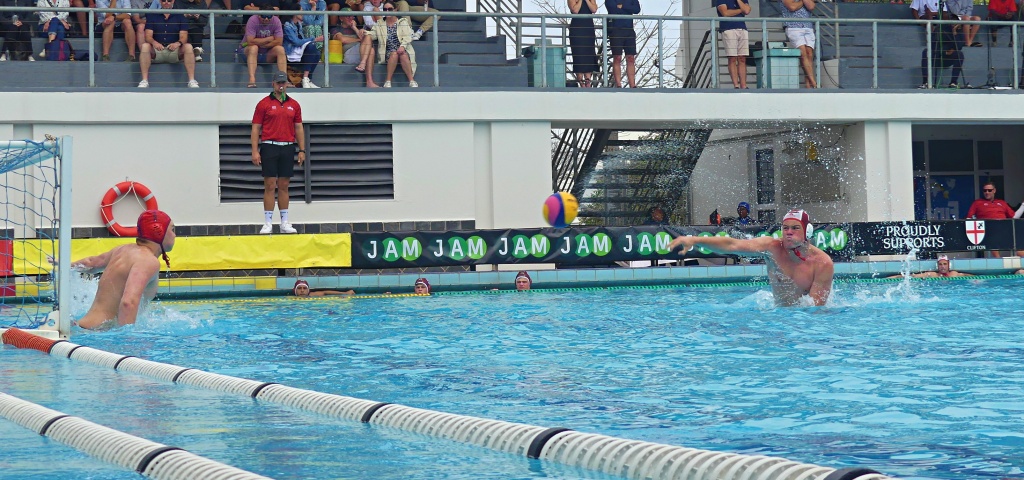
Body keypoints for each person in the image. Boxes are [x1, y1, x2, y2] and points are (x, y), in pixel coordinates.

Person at [669, 209, 834, 306]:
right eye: (785, 228)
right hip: (777, 314)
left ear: (808, 231)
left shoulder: (822, 263)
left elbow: (815, 310)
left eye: (795, 228)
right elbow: (732, 245)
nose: (789, 232)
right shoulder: (772, 247)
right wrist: (695, 240)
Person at [73, 210, 176, 329]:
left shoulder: (122, 249)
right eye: (172, 230)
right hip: (99, 332)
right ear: (159, 231)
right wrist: (127, 340)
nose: (174, 235)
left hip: (82, 326)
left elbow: (91, 263)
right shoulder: (148, 261)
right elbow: (128, 302)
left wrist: (65, 266)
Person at [251, 70, 305, 235]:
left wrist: (302, 149)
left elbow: (298, 127)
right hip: (269, 145)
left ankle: (284, 222)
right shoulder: (264, 103)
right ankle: (268, 222)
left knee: (284, 185)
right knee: (269, 185)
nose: (281, 86)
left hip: (288, 146)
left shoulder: (294, 105)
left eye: (284, 83)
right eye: (278, 83)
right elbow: (256, 128)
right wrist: (255, 150)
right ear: (273, 84)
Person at [139, 2, 200, 88]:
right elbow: (148, 36)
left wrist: (177, 43)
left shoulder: (180, 16)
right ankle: (144, 80)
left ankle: (192, 80)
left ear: (173, 1)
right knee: (145, 46)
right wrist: (154, 43)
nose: (166, 2)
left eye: (169, 0)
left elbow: (184, 37)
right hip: (157, 51)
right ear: (160, 1)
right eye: (164, 0)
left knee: (188, 47)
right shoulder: (152, 16)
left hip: (174, 51)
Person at [361, 1, 417, 88]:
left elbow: (407, 36)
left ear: (395, 10)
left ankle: (411, 81)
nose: (387, 11)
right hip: (389, 52)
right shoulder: (380, 23)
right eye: (385, 9)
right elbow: (373, 34)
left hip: (403, 49)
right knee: (394, 54)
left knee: (403, 54)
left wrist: (402, 46)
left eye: (390, 9)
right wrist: (364, 32)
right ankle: (388, 81)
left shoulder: (403, 22)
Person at [966, 181, 1016, 257]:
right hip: (988, 231)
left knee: (1018, 246)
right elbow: (969, 218)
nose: (987, 192)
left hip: (1004, 230)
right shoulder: (977, 203)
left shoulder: (1002, 203)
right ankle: (998, 262)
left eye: (989, 190)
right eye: (984, 190)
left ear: (994, 191)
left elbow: (1014, 217)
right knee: (993, 240)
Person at [242, 6, 288, 88]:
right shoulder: (253, 20)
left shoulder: (276, 21)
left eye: (269, 16)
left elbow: (279, 41)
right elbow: (250, 41)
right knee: (254, 47)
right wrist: (268, 39)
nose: (266, 19)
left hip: (266, 54)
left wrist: (261, 43)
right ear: (259, 15)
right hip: (249, 53)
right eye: (263, 16)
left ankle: (283, 80)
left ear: (273, 16)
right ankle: (252, 80)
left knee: (280, 49)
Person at [919, 11, 966, 89]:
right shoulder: (940, 29)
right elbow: (932, 44)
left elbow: (959, 46)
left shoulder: (959, 32)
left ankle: (953, 82)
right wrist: (945, 52)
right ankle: (925, 82)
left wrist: (955, 33)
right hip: (937, 57)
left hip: (947, 59)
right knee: (926, 52)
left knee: (960, 54)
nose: (954, 23)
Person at [780, 0, 816, 89]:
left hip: (808, 26)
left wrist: (798, 3)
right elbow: (792, 7)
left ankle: (808, 84)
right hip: (793, 26)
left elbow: (811, 6)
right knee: (802, 54)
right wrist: (803, 2)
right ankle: (814, 83)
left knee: (809, 54)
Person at [715, 0, 750, 89]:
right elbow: (725, 13)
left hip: (742, 28)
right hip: (728, 29)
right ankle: (736, 85)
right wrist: (741, 10)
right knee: (732, 58)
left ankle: (743, 85)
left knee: (742, 58)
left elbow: (747, 11)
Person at [283, 12, 323, 88]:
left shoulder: (299, 24)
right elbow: (296, 42)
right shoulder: (287, 25)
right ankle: (304, 78)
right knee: (311, 45)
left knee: (317, 52)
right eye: (301, 11)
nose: (303, 13)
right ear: (295, 12)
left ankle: (308, 79)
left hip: (298, 51)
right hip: (290, 52)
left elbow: (302, 40)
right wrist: (313, 39)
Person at [605, 0, 640, 88]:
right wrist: (628, 8)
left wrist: (622, 6)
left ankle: (632, 85)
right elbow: (612, 9)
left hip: (629, 30)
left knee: (631, 58)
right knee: (617, 57)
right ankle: (619, 84)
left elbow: (636, 9)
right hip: (616, 30)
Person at [567, 0, 598, 88]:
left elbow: (594, 9)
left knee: (589, 52)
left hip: (588, 27)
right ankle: (580, 80)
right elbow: (575, 10)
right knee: (578, 53)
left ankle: (588, 80)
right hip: (577, 28)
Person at [888, 255, 972, 278]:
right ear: (937, 266)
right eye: (940, 264)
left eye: (945, 264)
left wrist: (977, 279)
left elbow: (966, 275)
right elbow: (913, 276)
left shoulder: (954, 274)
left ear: (949, 265)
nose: (943, 266)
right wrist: (895, 277)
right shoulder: (933, 275)